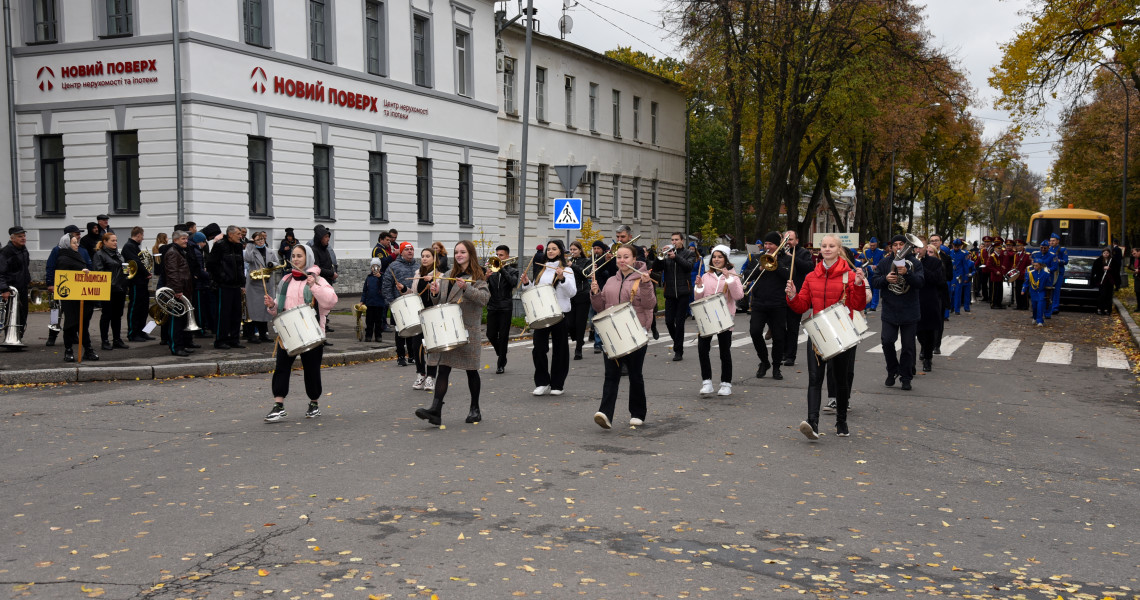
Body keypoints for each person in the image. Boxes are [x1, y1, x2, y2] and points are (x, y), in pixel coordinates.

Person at [785, 234, 867, 439]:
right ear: (819, 250)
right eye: (824, 246)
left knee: (840, 379)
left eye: (832, 246)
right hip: (818, 332)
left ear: (839, 250)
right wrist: (793, 296)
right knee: (815, 378)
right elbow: (802, 306)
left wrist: (858, 284)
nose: (827, 249)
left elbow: (858, 306)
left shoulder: (849, 275)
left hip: (841, 332)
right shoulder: (811, 276)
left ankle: (841, 421)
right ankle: (812, 422)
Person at [415, 240, 492, 426]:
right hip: (448, 329)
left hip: (468, 330)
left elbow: (484, 299)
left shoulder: (478, 276)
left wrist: (467, 287)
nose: (459, 255)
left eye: (463, 252)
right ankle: (436, 410)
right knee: (444, 368)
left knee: (471, 371)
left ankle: (475, 409)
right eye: (457, 252)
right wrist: (434, 293)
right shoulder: (448, 275)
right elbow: (439, 302)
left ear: (470, 254)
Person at [263, 244, 338, 422]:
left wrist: (315, 286)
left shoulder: (317, 279)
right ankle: (278, 405)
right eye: (293, 256)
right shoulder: (286, 280)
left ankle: (314, 403)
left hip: (311, 331)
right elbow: (279, 308)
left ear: (308, 259)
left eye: (300, 256)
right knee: (281, 368)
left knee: (311, 370)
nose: (295, 259)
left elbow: (330, 302)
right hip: (288, 332)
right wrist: (272, 306)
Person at [590, 245, 656, 429]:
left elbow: (650, 304)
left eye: (626, 257)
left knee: (635, 375)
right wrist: (595, 293)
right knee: (611, 375)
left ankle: (637, 413)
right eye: (619, 257)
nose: (622, 260)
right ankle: (605, 414)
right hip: (612, 334)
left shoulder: (642, 279)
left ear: (635, 259)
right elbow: (601, 308)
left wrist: (646, 284)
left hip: (635, 333)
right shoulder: (611, 280)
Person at [520, 240, 577, 396]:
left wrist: (562, 279)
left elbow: (572, 292)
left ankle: (557, 384)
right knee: (538, 349)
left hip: (559, 314)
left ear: (560, 251)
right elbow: (537, 290)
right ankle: (542, 382)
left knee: (560, 351)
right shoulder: (543, 269)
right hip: (542, 314)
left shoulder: (567, 270)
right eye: (548, 249)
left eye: (554, 249)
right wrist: (527, 283)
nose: (550, 251)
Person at [871, 235, 925, 391]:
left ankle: (906, 377)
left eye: (902, 244)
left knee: (908, 347)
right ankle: (892, 370)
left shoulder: (914, 263)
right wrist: (885, 279)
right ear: (891, 247)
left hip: (909, 311)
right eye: (895, 244)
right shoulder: (885, 262)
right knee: (887, 342)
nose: (899, 247)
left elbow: (920, 282)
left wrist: (907, 273)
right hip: (890, 310)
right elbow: (875, 281)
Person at [695, 245, 744, 396]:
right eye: (714, 257)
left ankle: (726, 384)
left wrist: (729, 279)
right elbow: (699, 299)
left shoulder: (733, 275)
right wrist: (699, 287)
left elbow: (738, 296)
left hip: (724, 318)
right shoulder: (705, 275)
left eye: (720, 257)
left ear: (726, 259)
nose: (716, 260)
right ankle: (707, 382)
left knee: (724, 352)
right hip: (707, 317)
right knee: (703, 349)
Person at [745, 232, 791, 380]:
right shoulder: (758, 258)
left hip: (778, 303)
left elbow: (789, 275)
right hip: (759, 303)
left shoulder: (786, 259)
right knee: (755, 331)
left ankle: (776, 367)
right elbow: (746, 275)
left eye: (771, 244)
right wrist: (759, 268)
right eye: (766, 244)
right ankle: (764, 362)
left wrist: (776, 264)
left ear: (778, 245)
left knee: (779, 337)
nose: (767, 246)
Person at [55, 234, 98, 362]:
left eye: (77, 242)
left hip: (82, 296)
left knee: (83, 325)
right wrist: (80, 273)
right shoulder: (63, 259)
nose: (77, 245)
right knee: (71, 324)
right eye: (74, 243)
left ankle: (88, 349)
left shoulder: (76, 255)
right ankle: (68, 350)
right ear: (67, 244)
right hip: (71, 299)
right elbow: (65, 278)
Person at [655, 232, 695, 361]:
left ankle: (678, 351)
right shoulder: (666, 255)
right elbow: (656, 268)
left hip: (683, 292)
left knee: (680, 322)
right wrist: (660, 256)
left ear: (682, 241)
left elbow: (688, 267)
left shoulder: (689, 253)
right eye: (672, 239)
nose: (674, 242)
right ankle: (678, 341)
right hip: (670, 292)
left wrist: (675, 257)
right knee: (668, 321)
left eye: (676, 239)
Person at [207, 225, 247, 349]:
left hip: (236, 285)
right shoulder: (219, 246)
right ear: (230, 235)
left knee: (236, 313)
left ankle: (234, 339)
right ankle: (221, 340)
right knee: (223, 314)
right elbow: (211, 264)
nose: (241, 237)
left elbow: (240, 265)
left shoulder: (238, 246)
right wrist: (221, 277)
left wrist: (242, 283)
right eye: (238, 234)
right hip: (224, 285)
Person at [782, 230, 816, 366]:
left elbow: (809, 267)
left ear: (796, 240)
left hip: (797, 295)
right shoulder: (780, 253)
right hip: (780, 294)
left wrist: (792, 257)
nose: (788, 242)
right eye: (785, 240)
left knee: (792, 327)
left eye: (790, 239)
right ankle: (782, 352)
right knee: (780, 326)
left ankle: (790, 356)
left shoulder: (803, 253)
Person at [409, 249, 442, 390]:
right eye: (423, 256)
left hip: (432, 313)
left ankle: (431, 377)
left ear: (434, 259)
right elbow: (414, 293)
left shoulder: (440, 275)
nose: (424, 259)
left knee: (432, 346)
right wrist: (404, 289)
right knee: (417, 346)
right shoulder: (418, 274)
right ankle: (421, 374)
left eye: (428, 256)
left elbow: (440, 295)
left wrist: (433, 281)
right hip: (419, 313)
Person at [382, 242, 418, 366]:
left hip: (413, 303)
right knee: (400, 332)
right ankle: (401, 356)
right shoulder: (393, 266)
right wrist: (391, 302)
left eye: (411, 249)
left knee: (413, 330)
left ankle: (412, 356)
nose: (410, 251)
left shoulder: (418, 266)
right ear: (401, 252)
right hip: (398, 303)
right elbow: (386, 285)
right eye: (407, 249)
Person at [92, 233, 130, 351]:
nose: (115, 242)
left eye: (116, 240)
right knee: (107, 315)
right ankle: (105, 341)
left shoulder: (119, 255)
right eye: (112, 240)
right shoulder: (100, 254)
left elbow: (123, 269)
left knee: (117, 316)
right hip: (108, 290)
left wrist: (127, 271)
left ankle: (117, 339)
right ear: (105, 242)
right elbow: (99, 272)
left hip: (120, 289)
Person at [162, 231, 197, 357]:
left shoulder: (179, 251)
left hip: (184, 290)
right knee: (176, 322)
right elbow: (172, 273)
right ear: (175, 240)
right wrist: (177, 290)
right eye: (183, 239)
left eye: (186, 239)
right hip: (177, 292)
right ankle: (175, 347)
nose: (186, 241)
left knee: (182, 321)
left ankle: (181, 345)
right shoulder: (172, 252)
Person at [486, 244, 518, 373]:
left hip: (505, 307)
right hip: (492, 306)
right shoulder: (491, 270)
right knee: (490, 334)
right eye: (497, 255)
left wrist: (501, 269)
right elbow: (481, 284)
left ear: (507, 257)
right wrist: (486, 276)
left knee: (504, 336)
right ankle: (501, 353)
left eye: (501, 255)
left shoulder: (512, 270)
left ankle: (500, 364)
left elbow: (513, 283)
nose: (498, 257)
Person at [917, 245, 947, 372]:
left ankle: (928, 358)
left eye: (921, 248)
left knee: (929, 331)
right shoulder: (910, 261)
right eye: (916, 248)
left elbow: (937, 279)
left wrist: (920, 267)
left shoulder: (936, 262)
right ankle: (924, 348)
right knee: (919, 332)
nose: (918, 250)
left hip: (930, 300)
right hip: (915, 301)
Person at [121, 227, 154, 342]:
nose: (143, 238)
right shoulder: (129, 246)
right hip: (135, 281)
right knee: (135, 308)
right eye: (142, 235)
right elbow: (136, 262)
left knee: (143, 308)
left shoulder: (134, 246)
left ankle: (142, 332)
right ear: (138, 235)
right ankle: (132, 333)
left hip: (141, 281)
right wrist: (146, 272)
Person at [0, 226, 31, 346]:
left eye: (24, 236)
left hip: (22, 288)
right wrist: (4, 289)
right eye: (20, 236)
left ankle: (18, 337)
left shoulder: (23, 250)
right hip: (11, 289)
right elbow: (1, 272)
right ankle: (10, 338)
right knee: (10, 314)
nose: (23, 238)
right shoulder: (6, 252)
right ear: (12, 238)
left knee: (23, 314)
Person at [243, 231, 275, 344]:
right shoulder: (251, 250)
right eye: (258, 240)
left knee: (264, 309)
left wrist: (272, 265)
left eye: (262, 239)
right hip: (254, 285)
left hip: (267, 283)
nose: (261, 241)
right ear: (254, 241)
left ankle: (263, 334)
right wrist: (250, 245)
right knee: (253, 310)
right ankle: (250, 335)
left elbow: (276, 262)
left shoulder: (270, 251)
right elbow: (248, 259)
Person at [587, 240, 617, 354]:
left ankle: (609, 341)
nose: (596, 251)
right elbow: (589, 275)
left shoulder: (609, 258)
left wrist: (606, 261)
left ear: (602, 249)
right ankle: (598, 343)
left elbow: (612, 272)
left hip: (608, 291)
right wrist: (592, 270)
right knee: (597, 317)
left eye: (598, 248)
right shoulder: (592, 260)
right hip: (596, 292)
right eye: (594, 249)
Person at [567, 241, 592, 360]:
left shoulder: (586, 261)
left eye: (575, 250)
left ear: (580, 250)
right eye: (571, 250)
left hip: (582, 295)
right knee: (570, 324)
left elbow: (585, 274)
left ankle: (578, 350)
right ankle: (579, 339)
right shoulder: (567, 262)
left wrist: (572, 266)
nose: (572, 252)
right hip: (570, 296)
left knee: (580, 323)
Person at [188, 232, 215, 337]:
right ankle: (200, 330)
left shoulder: (194, 250)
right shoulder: (197, 252)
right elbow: (199, 269)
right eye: (204, 242)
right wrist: (209, 275)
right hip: (199, 284)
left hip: (198, 282)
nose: (205, 244)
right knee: (199, 308)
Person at [360, 258, 387, 342]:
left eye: (377, 267)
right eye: (373, 267)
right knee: (369, 321)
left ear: (380, 268)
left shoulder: (383, 277)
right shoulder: (368, 278)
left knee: (379, 321)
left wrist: (380, 277)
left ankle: (378, 336)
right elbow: (365, 290)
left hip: (379, 303)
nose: (375, 269)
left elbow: (385, 286)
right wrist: (362, 301)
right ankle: (368, 335)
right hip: (370, 303)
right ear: (371, 268)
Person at [1091, 248, 1118, 315]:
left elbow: (1116, 270)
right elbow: (1095, 270)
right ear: (1102, 254)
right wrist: (1102, 268)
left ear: (1109, 254)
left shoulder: (1113, 261)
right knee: (1102, 295)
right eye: (1104, 253)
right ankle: (1099, 309)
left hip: (1110, 281)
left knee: (1108, 295)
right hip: (1101, 281)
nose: (1106, 254)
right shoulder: (1098, 261)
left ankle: (1107, 309)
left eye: (1107, 253)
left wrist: (1110, 269)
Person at [1023, 257, 1049, 326]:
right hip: (1033, 292)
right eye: (1034, 265)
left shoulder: (1046, 273)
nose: (1035, 267)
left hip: (1041, 291)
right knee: (1034, 306)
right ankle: (1035, 317)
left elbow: (1049, 283)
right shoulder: (1031, 273)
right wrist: (1023, 289)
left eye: (1036, 265)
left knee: (1040, 306)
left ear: (1041, 266)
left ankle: (1040, 321)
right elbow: (1026, 282)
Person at [1048, 233, 1068, 315]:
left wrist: (1058, 261)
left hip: (1059, 272)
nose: (1051, 242)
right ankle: (1048, 306)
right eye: (1050, 240)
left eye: (1053, 240)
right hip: (1051, 272)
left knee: (1056, 290)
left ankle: (1055, 307)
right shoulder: (1048, 249)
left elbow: (1066, 261)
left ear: (1057, 241)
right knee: (1049, 289)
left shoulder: (1062, 250)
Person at [863, 237, 885, 311]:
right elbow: (863, 262)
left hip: (876, 273)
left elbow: (882, 262)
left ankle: (873, 306)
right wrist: (866, 267)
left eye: (874, 245)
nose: (872, 247)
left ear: (876, 245)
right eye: (871, 245)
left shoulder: (880, 252)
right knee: (868, 289)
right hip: (868, 273)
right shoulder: (866, 252)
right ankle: (867, 305)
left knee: (876, 290)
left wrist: (877, 265)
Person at [1011, 239, 1031, 310]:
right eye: (1017, 246)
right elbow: (1014, 264)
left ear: (1023, 246)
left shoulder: (1027, 255)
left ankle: (1025, 305)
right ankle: (1019, 305)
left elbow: (1029, 266)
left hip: (1023, 276)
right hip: (1017, 275)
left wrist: (1023, 273)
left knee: (1024, 291)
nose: (1017, 247)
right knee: (1017, 290)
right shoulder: (1016, 255)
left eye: (1019, 246)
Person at [1129, 247, 1140, 312]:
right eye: (1133, 254)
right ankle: (1139, 307)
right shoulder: (1137, 260)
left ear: (1138, 251)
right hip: (1137, 278)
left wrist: (1138, 271)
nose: (1134, 255)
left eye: (1134, 253)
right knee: (1138, 293)